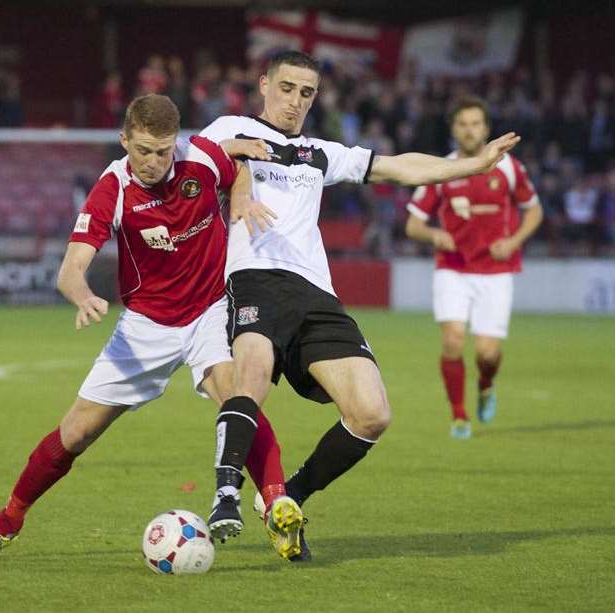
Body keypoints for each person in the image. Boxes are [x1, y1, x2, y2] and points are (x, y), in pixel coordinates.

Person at [198, 51, 520, 561]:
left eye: (306, 93)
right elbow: (189, 154)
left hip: (316, 293)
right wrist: (235, 162)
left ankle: (288, 498)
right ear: (264, 85)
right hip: (253, 277)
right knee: (252, 374)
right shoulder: (230, 126)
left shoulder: (318, 153)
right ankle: (225, 496)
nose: (295, 101)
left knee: (372, 413)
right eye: (286, 88)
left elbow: (396, 167)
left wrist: (470, 164)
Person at [0, 94, 296, 561]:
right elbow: (70, 269)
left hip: (211, 309)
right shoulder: (112, 188)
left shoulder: (201, 156)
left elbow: (234, 163)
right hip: (145, 326)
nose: (154, 162)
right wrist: (83, 295)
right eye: (143, 151)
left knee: (239, 397)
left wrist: (240, 198)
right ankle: (5, 524)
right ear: (123, 140)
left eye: (163, 150)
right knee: (75, 434)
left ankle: (278, 508)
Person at [404, 96, 542, 440]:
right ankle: (459, 416)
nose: (469, 130)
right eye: (463, 124)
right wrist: (436, 235)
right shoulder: (441, 170)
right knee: (452, 341)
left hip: (496, 271)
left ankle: (486, 382)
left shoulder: (509, 168)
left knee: (487, 353)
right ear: (453, 129)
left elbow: (534, 211)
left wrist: (513, 242)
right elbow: (413, 225)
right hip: (453, 269)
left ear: (486, 128)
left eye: (476, 123)